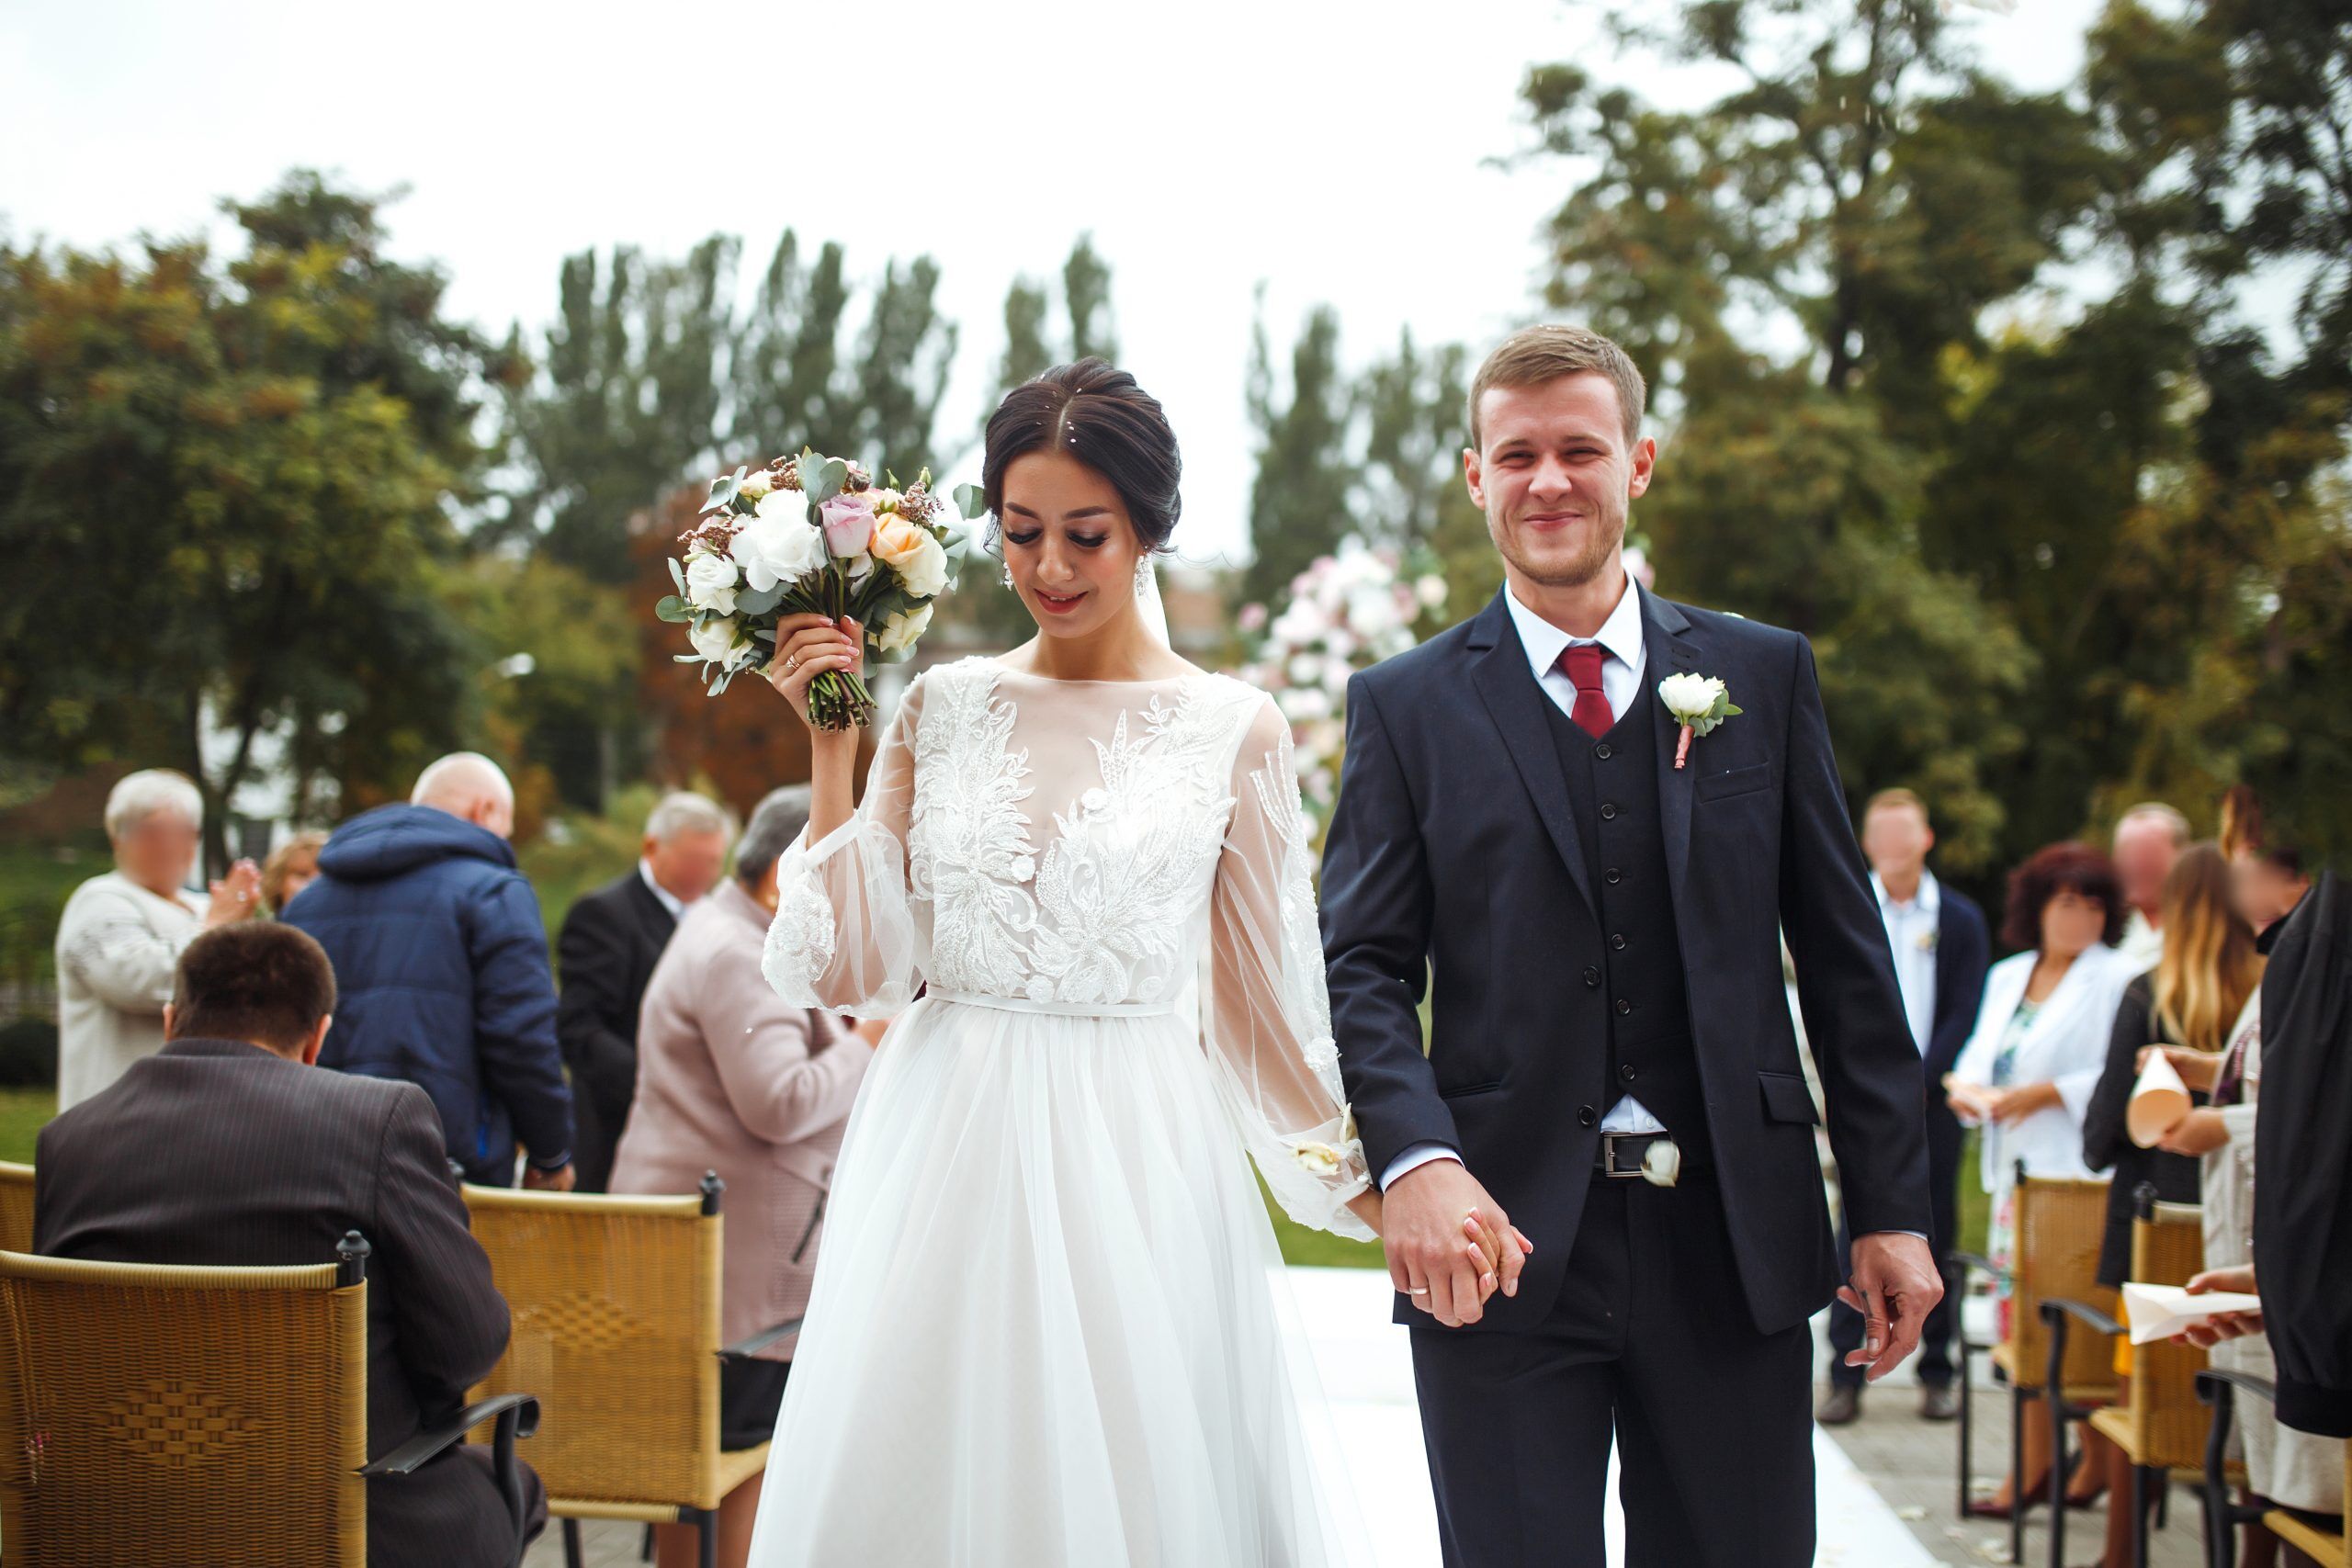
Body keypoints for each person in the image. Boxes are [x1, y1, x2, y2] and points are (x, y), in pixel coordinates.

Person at [744, 360, 1384, 1568]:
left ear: (1146, 529)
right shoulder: (942, 704)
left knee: (1122, 1489)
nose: (1048, 567)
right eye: (1021, 531)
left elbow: (1258, 1014)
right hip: (943, 1143)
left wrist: (1373, 1187)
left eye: (1084, 535)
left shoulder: (1234, 727)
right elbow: (856, 968)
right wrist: (834, 747)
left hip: (1132, 1151)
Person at [1320, 323, 1939, 1568]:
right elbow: (1364, 965)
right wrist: (1417, 1157)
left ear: (1640, 461)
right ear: (1473, 474)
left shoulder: (1762, 673)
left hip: (1735, 1237)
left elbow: (1845, 957)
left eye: (1581, 449)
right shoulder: (1406, 704)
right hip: (1497, 1242)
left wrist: (1890, 1205)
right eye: (1519, 453)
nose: (1550, 479)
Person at [33, 921, 547, 1568]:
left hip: (118, 1518)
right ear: (317, 1039)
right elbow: (466, 1345)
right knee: (512, 1486)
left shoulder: (68, 1140)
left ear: (170, 1022)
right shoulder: (379, 1119)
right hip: (344, 1519)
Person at [610, 785, 872, 1568]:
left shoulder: (722, 927)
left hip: (717, 1256)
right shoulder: (742, 952)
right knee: (739, 1462)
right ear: (786, 872)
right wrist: (873, 1039)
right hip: (734, 1276)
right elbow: (779, 1101)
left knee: (708, 1467)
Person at [2077, 841, 2263, 1567]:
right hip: (2245, 1233)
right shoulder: (2270, 1000)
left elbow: (2100, 1135)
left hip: (2153, 1229)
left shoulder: (2148, 995)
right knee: (2248, 1415)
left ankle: (2121, 1550)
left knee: (2143, 1401)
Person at [1946, 840, 2137, 1514]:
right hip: (2012, 1177)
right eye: (2065, 902)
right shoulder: (2010, 974)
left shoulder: (2116, 977)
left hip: (2073, 1180)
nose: (2078, 918)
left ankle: (2066, 1467)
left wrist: (2049, 1092)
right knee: (2018, 1325)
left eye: (2091, 905)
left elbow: (2126, 1070)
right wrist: (1961, 1087)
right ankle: (2047, 1463)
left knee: (2065, 1332)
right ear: (2038, 906)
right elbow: (1977, 1055)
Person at [283, 752, 574, 1190]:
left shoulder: (305, 905)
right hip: (446, 1164)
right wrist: (550, 1153)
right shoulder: (493, 892)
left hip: (320, 1159)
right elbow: (522, 1034)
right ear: (485, 811)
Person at [1818, 788, 1990, 1427]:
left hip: (1931, 1098)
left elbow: (1965, 1008)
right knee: (1855, 1224)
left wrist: (1920, 1076)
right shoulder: (1848, 903)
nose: (1892, 846)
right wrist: (1869, 1083)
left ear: (1926, 839)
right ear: (1866, 843)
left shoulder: (1961, 917)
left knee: (1934, 1225)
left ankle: (1938, 1370)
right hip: (1863, 1098)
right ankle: (1844, 1370)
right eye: (1881, 835)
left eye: (1904, 834)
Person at [53, 768, 259, 1111]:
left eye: (183, 833)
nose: (169, 845)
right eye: (152, 832)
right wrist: (216, 929)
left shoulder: (202, 906)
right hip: (115, 1116)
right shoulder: (100, 899)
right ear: (118, 837)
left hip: (198, 1113)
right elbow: (140, 983)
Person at [558, 790, 731, 1191]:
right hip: (620, 1131)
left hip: (705, 1140)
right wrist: (660, 1083)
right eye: (694, 861)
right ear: (652, 847)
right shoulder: (603, 915)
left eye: (714, 862)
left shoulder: (718, 921)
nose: (707, 874)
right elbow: (579, 1030)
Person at [2112, 802, 2188, 972]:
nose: (2136, 864)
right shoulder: (2102, 931)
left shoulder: (2205, 928)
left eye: (2149, 852)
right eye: (2127, 852)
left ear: (2183, 857)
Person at [259, 829, 328, 915]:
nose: (314, 883)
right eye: (302, 874)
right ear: (278, 883)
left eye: (324, 876)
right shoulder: (262, 928)